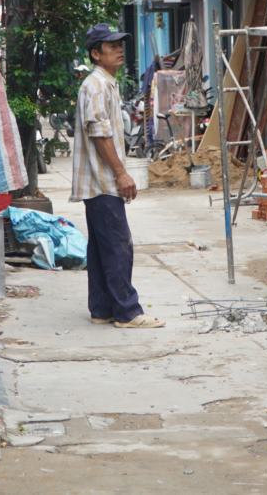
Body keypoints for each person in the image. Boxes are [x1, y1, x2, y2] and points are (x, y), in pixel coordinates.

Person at [71, 24, 165, 329]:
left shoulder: (104, 84)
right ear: (96, 54)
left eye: (120, 45)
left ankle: (102, 308)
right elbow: (99, 134)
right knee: (118, 245)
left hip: (98, 181)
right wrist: (122, 174)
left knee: (100, 247)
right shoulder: (96, 85)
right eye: (111, 46)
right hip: (103, 181)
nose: (119, 50)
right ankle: (127, 312)